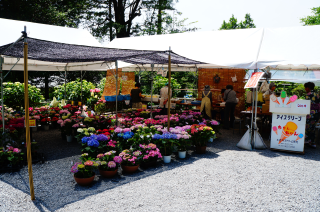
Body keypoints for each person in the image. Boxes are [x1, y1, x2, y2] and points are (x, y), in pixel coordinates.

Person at [304, 82, 320, 148]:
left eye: (305, 88)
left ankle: (307, 141)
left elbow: (306, 105)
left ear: (307, 88)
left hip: (310, 114)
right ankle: (313, 143)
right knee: (313, 128)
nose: (305, 89)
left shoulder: (308, 94)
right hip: (317, 114)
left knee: (307, 127)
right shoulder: (317, 94)